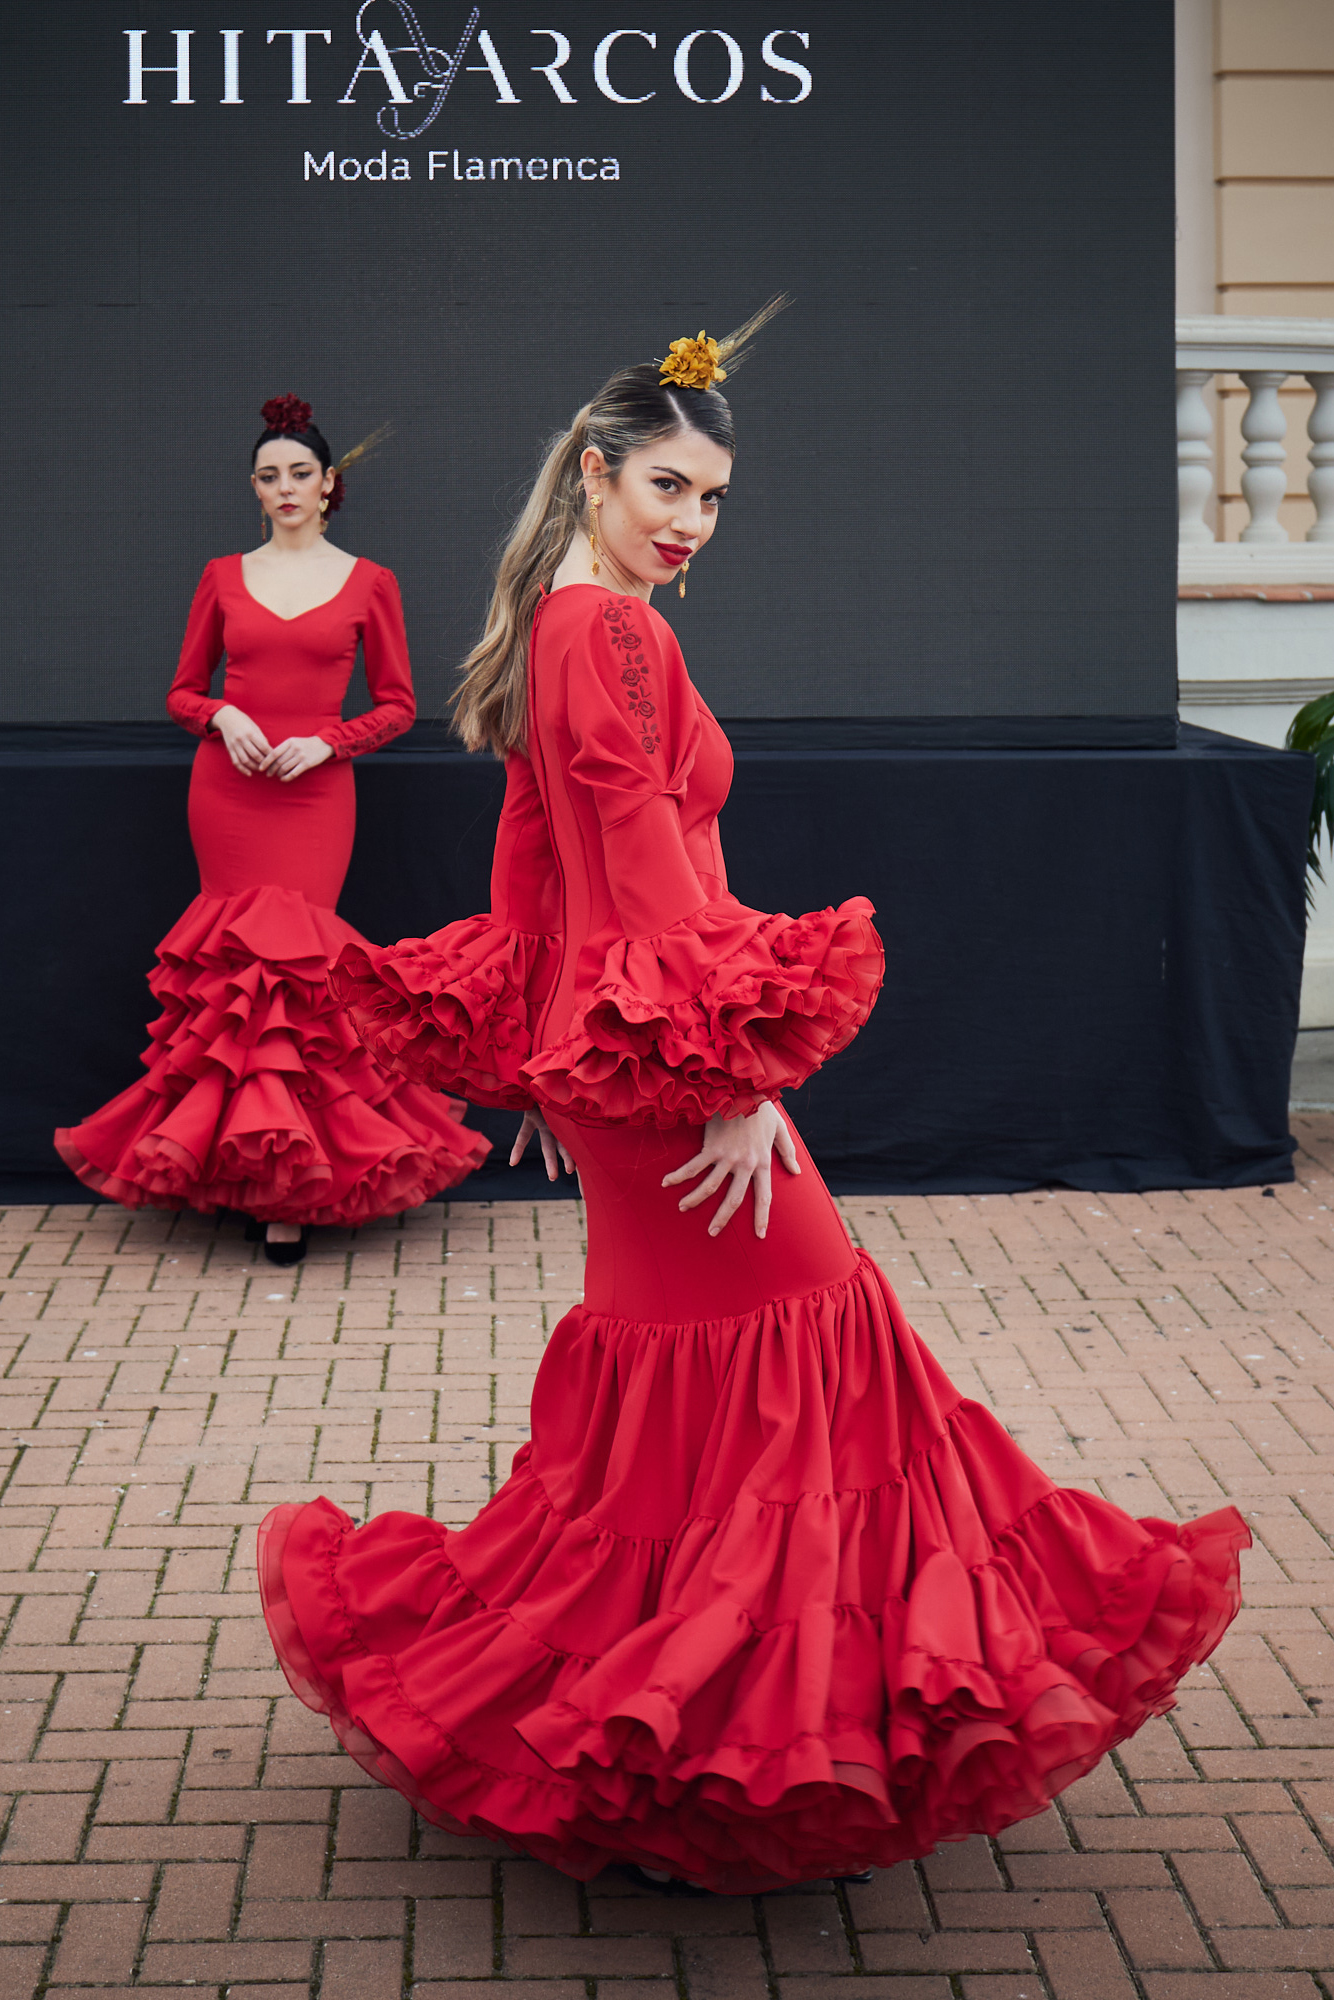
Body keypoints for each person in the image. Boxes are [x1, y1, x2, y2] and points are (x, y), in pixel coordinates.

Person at [257, 322, 1248, 1888]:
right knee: (805, 1345)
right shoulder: (618, 636)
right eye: (667, 485)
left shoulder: (555, 617)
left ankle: (663, 1711)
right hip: (669, 1074)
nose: (691, 522)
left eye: (715, 497)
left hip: (630, 1064)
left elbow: (532, 869)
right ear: (595, 469)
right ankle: (721, 1723)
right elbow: (639, 865)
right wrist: (736, 1076)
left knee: (712, 1387)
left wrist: (547, 1056)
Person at [55, 395, 488, 1265]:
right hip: (227, 794)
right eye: (268, 476)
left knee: (297, 976)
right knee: (233, 976)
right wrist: (220, 718)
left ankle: (289, 1185)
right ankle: (243, 1170)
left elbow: (399, 707)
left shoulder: (372, 582)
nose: (284, 487)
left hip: (315, 799)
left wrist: (328, 740)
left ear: (329, 485)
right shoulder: (221, 576)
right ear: (254, 491)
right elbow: (180, 693)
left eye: (299, 473)